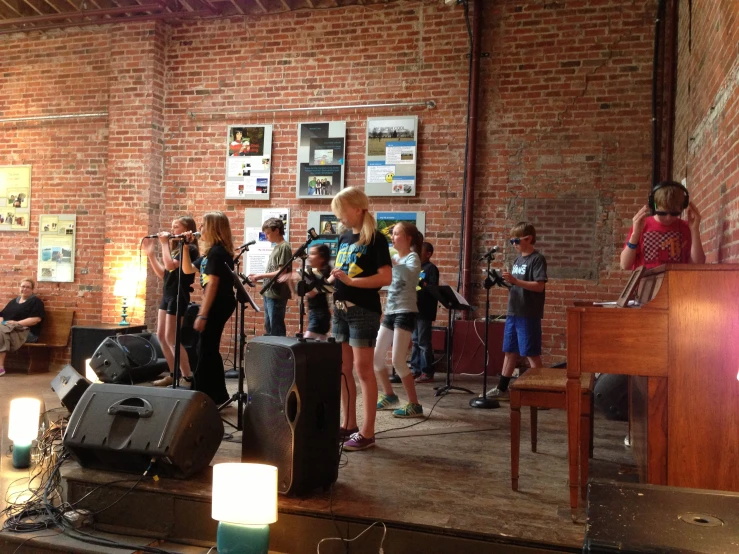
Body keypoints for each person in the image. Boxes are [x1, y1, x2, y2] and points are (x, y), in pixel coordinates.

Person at [329, 187, 392, 451]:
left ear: (356, 209)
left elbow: (385, 277)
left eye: (341, 211)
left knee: (363, 371)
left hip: (363, 311)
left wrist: (352, 281)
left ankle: (368, 432)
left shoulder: (375, 239)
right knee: (343, 369)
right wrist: (327, 280)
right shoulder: (344, 237)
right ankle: (349, 424)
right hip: (340, 310)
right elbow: (340, 274)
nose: (339, 217)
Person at [483, 222, 548, 400]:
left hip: (528, 313)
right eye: (512, 240)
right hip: (514, 310)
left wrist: (515, 281)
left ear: (529, 238)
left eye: (516, 240)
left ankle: (543, 393)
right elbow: (516, 284)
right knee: (510, 351)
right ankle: (502, 388)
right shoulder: (518, 260)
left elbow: (539, 286)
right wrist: (504, 281)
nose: (514, 244)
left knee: (531, 352)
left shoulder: (537, 259)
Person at [182, 211, 236, 405]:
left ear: (212, 227)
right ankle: (217, 394)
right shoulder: (209, 253)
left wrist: (203, 315)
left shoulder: (217, 252)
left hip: (219, 303)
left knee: (205, 348)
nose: (200, 229)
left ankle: (206, 394)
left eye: (203, 225)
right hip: (216, 302)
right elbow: (187, 269)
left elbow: (212, 285)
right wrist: (186, 247)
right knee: (207, 348)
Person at [374, 222, 425, 418]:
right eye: (392, 234)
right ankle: (390, 395)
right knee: (377, 358)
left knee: (397, 360)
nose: (393, 237)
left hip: (406, 311)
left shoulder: (413, 257)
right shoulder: (395, 258)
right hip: (390, 312)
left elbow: (410, 274)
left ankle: (414, 404)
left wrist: (393, 264)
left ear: (408, 238)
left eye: (396, 234)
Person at [143, 217, 199, 387]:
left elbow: (170, 265)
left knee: (172, 338)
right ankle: (173, 374)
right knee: (161, 336)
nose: (173, 229)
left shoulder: (191, 249)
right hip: (167, 294)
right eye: (172, 226)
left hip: (178, 296)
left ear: (187, 230)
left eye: (177, 227)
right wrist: (152, 255)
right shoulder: (175, 249)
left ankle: (187, 376)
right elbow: (164, 274)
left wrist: (164, 244)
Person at [620, 181, 705, 270]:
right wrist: (635, 234)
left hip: (677, 282)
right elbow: (625, 265)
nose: (668, 218)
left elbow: (697, 265)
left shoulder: (686, 227)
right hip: (647, 283)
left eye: (674, 213)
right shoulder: (641, 226)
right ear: (654, 205)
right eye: (662, 213)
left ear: (682, 207)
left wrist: (694, 229)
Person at [248, 218, 292, 337]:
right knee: (269, 326)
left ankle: (278, 354)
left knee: (276, 327)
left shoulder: (284, 247)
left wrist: (261, 275)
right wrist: (259, 276)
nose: (266, 236)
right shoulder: (277, 247)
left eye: (268, 233)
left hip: (277, 294)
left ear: (276, 231)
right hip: (269, 292)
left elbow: (282, 272)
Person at [0, 279, 45, 377]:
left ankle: (0, 367)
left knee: (1, 333)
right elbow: (1, 314)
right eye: (22, 286)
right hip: (7, 328)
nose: (24, 289)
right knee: (1, 331)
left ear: (32, 290)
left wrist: (16, 323)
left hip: (27, 331)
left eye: (27, 287)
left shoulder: (36, 302)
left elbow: (36, 319)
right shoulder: (13, 302)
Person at [411, 241, 440, 383]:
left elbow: (433, 288)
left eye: (419, 251)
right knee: (415, 340)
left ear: (428, 254)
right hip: (414, 309)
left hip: (425, 310)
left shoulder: (431, 268)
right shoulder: (415, 267)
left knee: (423, 342)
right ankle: (415, 369)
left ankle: (427, 371)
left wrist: (422, 284)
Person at [303, 244, 332, 341]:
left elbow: (311, 293)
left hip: (320, 315)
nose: (309, 257)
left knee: (306, 342)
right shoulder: (314, 273)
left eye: (312, 254)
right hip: (314, 313)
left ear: (321, 258)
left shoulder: (324, 274)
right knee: (319, 346)